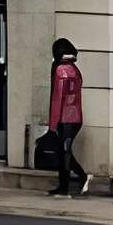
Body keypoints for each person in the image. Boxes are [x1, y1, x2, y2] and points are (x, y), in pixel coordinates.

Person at [48, 36, 88, 198]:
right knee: (65, 151)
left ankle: (69, 184)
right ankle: (73, 181)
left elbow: (57, 99)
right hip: (76, 117)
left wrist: (52, 125)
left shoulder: (60, 70)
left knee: (63, 152)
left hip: (65, 118)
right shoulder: (75, 69)